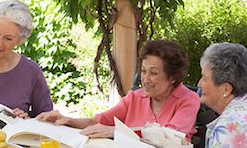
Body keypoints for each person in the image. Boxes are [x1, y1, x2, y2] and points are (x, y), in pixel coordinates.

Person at [37, 39, 200, 139]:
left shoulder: (188, 100)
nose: (146, 79)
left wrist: (117, 132)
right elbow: (99, 122)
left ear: (172, 77)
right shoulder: (135, 97)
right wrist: (68, 120)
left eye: (154, 73)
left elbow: (168, 136)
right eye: (143, 71)